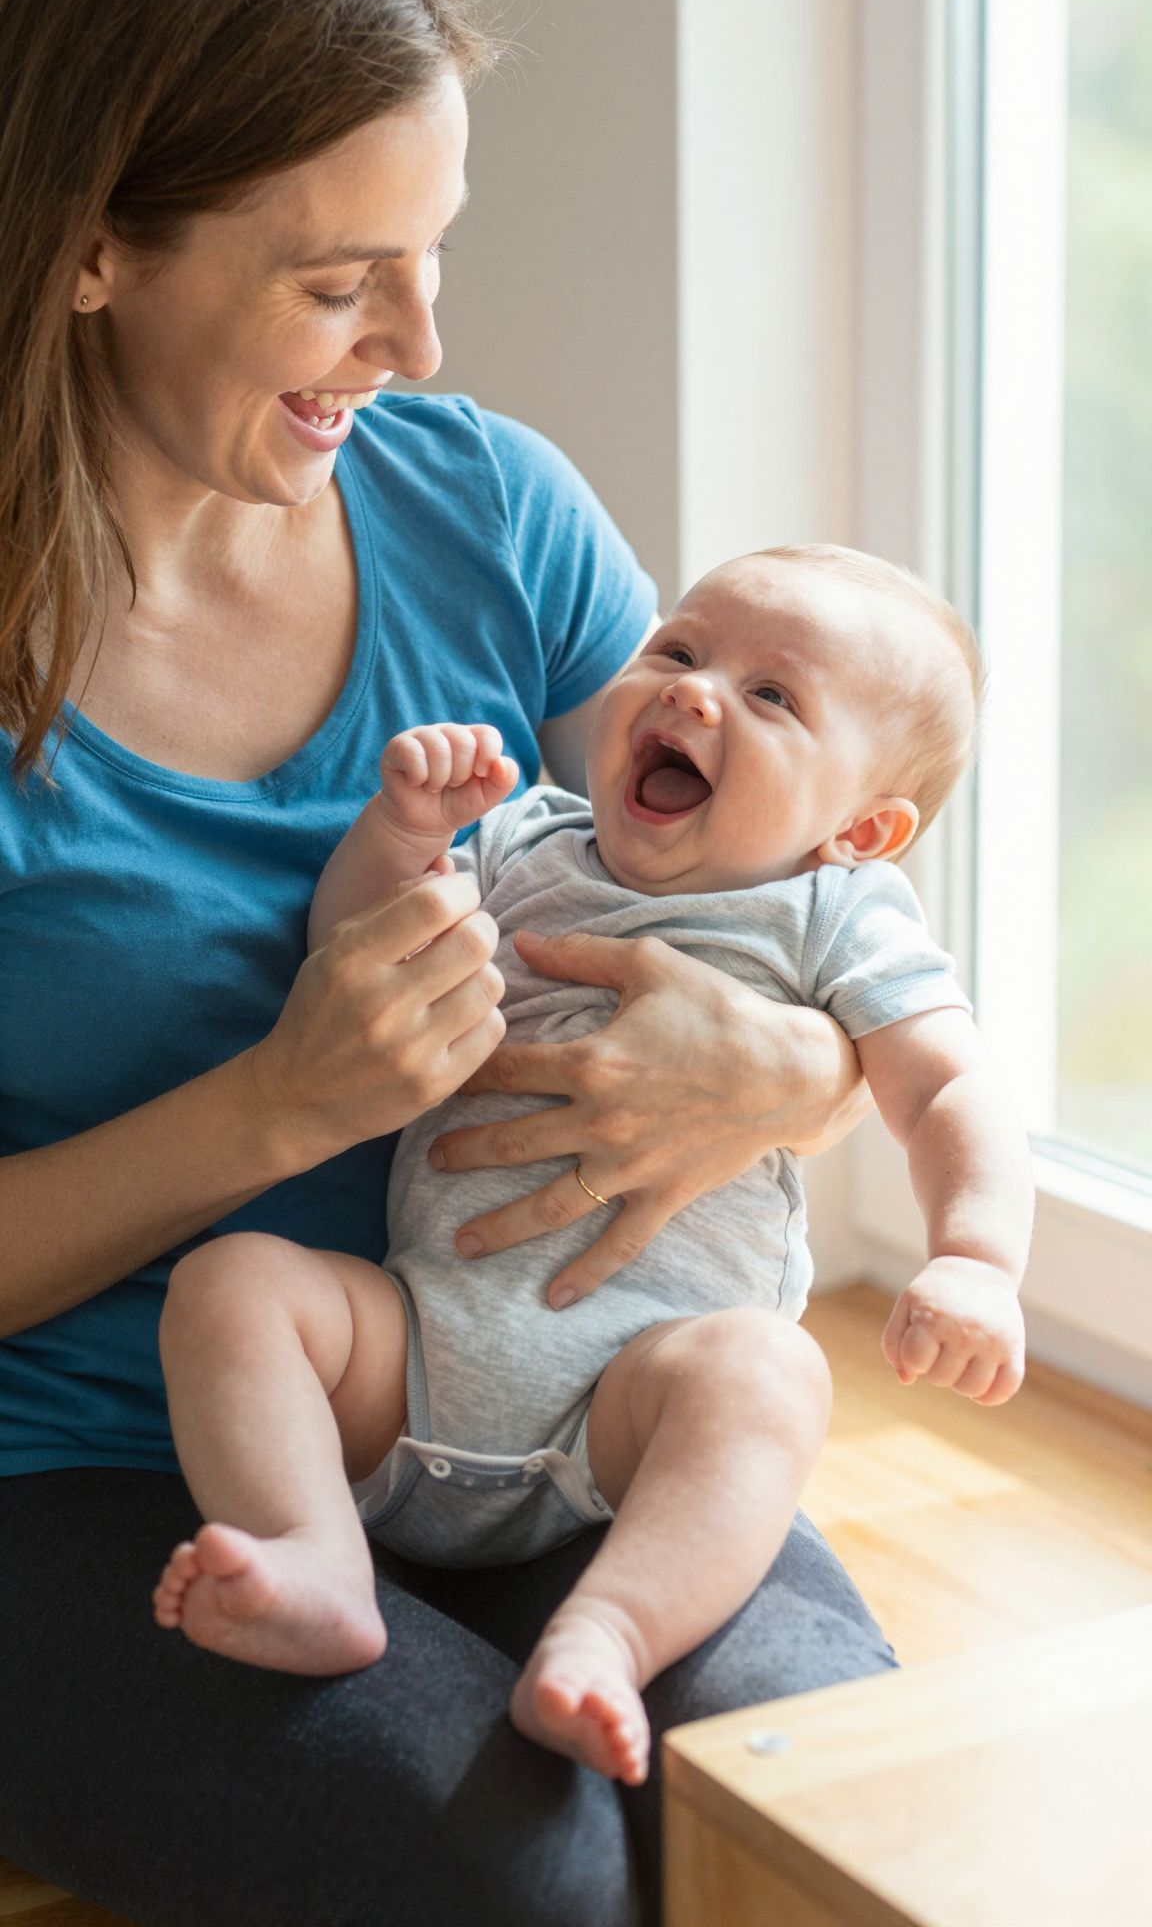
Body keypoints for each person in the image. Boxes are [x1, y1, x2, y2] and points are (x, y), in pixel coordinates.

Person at [0, 0, 899, 1922]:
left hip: (547, 1397)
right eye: (341, 285)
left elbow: (778, 884)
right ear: (90, 247)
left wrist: (793, 1061)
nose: (417, 349)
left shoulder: (481, 501)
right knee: (536, 1883)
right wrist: (273, 1112)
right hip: (88, 1462)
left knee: (821, 1802)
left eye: (434, 258)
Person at [152, 545, 1033, 1786]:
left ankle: (610, 1630)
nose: (693, 691)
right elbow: (358, 948)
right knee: (233, 1285)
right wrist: (404, 835)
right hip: (411, 1363)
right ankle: (313, 1552)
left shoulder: (837, 916)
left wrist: (977, 1258)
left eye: (773, 696)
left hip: (628, 1411)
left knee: (767, 1370)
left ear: (863, 829)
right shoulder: (522, 841)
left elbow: (948, 1082)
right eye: (677, 649)